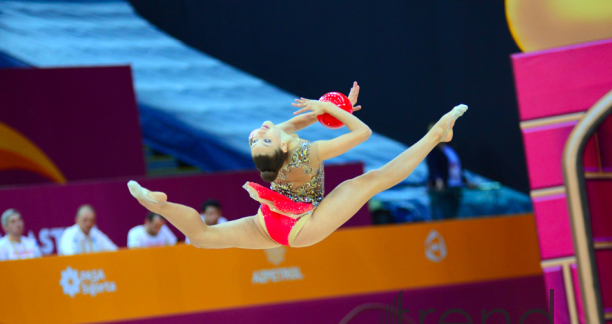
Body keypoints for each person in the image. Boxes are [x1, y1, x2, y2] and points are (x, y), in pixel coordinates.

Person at [128, 82, 467, 249]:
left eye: (258, 137)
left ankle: (157, 203)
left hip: (267, 222)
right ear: (282, 145)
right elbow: (363, 133)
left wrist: (333, 108)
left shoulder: (277, 147)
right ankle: (437, 133)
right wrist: (332, 110)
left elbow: (292, 125)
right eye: (264, 137)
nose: (260, 132)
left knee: (201, 236)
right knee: (373, 181)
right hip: (303, 227)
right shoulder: (306, 155)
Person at [426, 138, 465, 220]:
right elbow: (434, 167)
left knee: (455, 215)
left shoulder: (450, 148)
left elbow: (456, 167)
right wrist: (438, 180)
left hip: (456, 185)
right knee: (444, 215)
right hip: (443, 188)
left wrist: (465, 180)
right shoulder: (433, 151)